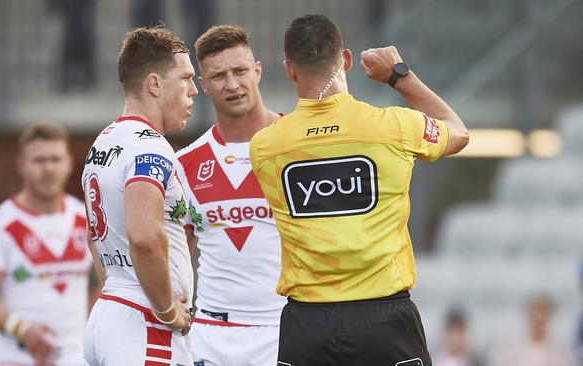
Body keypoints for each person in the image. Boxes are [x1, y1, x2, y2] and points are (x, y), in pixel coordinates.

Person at [249, 14, 470, 365]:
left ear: (290, 70)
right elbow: (457, 130)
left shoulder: (264, 147)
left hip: (307, 325)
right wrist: (399, 75)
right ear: (347, 60)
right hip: (384, 319)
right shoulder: (394, 127)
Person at [81, 26, 198, 366]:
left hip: (111, 311)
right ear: (155, 84)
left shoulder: (103, 142)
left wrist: (122, 289)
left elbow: (93, 236)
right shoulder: (149, 147)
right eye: (186, 78)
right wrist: (166, 311)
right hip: (145, 323)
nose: (193, 90)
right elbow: (145, 238)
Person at [175, 25, 285, 366]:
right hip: (210, 336)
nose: (233, 84)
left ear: (258, 71)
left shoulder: (299, 147)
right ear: (203, 86)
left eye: (240, 71)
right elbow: (176, 250)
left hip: (287, 328)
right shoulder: (183, 164)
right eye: (219, 76)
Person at [0, 123, 93, 365]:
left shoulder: (86, 219)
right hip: (16, 359)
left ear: (70, 163)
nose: (48, 169)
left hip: (76, 359)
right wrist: (23, 330)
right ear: (22, 165)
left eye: (55, 159)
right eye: (39, 160)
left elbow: (106, 280)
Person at [488, 295, 574, 366]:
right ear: (527, 316)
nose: (538, 323)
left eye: (543, 319)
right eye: (534, 318)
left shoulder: (562, 353)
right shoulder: (506, 351)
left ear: (550, 318)